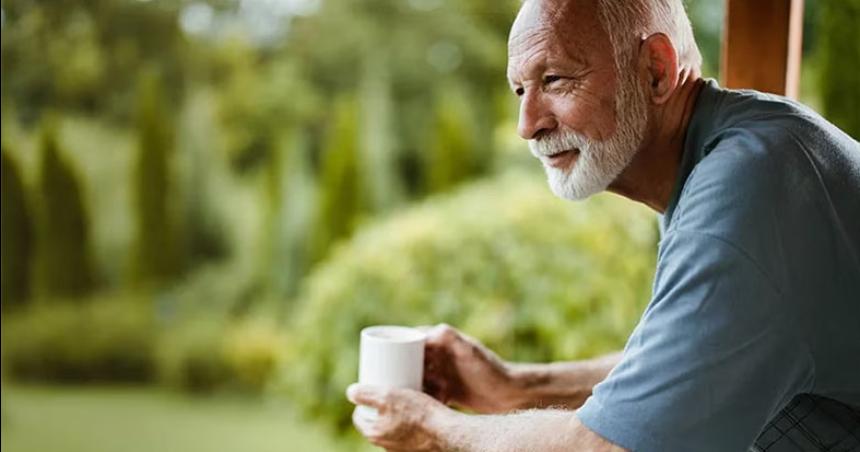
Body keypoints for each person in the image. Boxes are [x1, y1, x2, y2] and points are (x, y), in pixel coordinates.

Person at [345, 0, 860, 450]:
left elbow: (614, 449)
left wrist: (434, 431)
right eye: (519, 89)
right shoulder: (737, 153)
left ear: (656, 70)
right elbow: (681, 373)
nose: (528, 124)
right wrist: (515, 387)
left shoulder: (750, 190)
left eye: (554, 80)